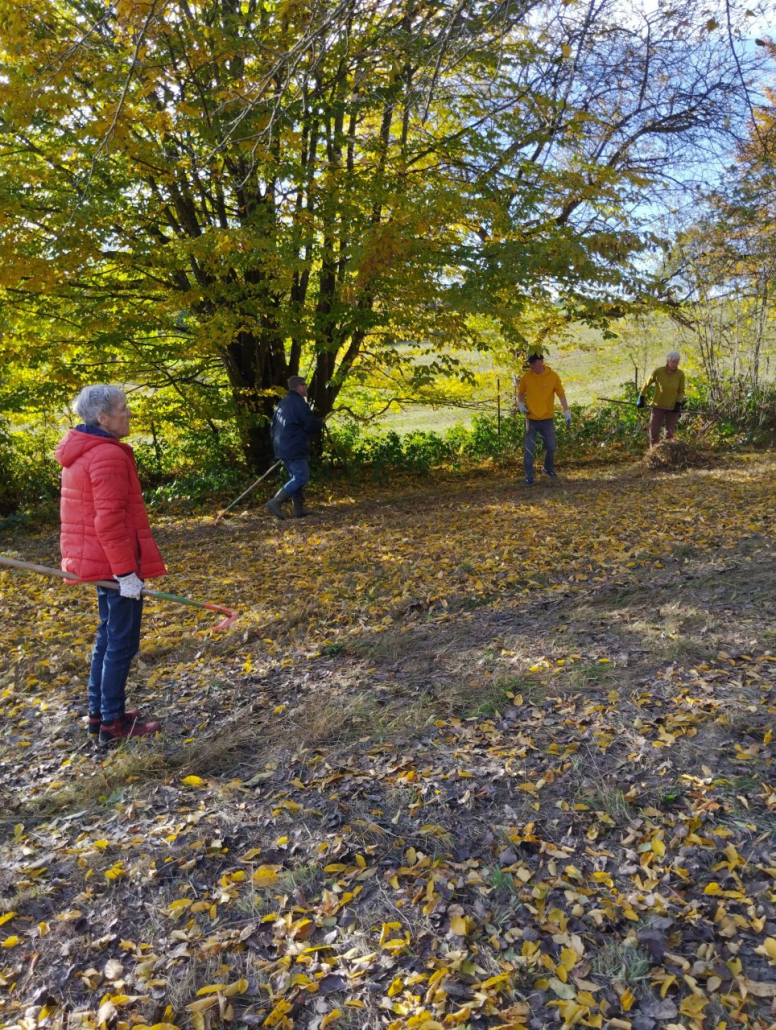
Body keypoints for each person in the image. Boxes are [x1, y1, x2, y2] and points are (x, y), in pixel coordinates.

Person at [56, 385, 165, 745]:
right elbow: (109, 522)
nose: (128, 414)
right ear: (102, 418)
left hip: (100, 561)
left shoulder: (84, 451)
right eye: (123, 409)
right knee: (120, 642)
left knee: (107, 639)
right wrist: (126, 574)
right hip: (113, 564)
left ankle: (100, 715)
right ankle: (112, 724)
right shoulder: (107, 456)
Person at [266, 376, 324, 519]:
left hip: (283, 446)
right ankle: (275, 501)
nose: (306, 388)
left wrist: (279, 445)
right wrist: (319, 424)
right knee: (301, 477)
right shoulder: (298, 403)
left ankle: (298, 509)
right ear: (298, 386)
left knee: (295, 476)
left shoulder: (282, 404)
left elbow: (272, 427)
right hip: (294, 446)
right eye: (304, 385)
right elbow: (309, 423)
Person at [517, 353, 571, 486]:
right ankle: (529, 477)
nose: (531, 366)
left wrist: (567, 411)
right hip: (531, 419)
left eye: (533, 363)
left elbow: (561, 394)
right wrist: (520, 405)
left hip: (547, 419)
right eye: (530, 363)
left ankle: (548, 468)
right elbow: (520, 394)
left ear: (540, 362)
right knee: (529, 450)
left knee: (551, 447)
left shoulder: (553, 376)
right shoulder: (527, 377)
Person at [637, 350, 686, 447]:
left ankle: (667, 455)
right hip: (658, 405)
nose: (675, 364)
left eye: (677, 362)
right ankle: (653, 454)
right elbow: (647, 384)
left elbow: (681, 391)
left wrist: (678, 403)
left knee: (669, 434)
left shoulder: (680, 374)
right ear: (668, 361)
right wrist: (641, 397)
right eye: (673, 362)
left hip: (672, 407)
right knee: (654, 432)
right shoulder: (658, 372)